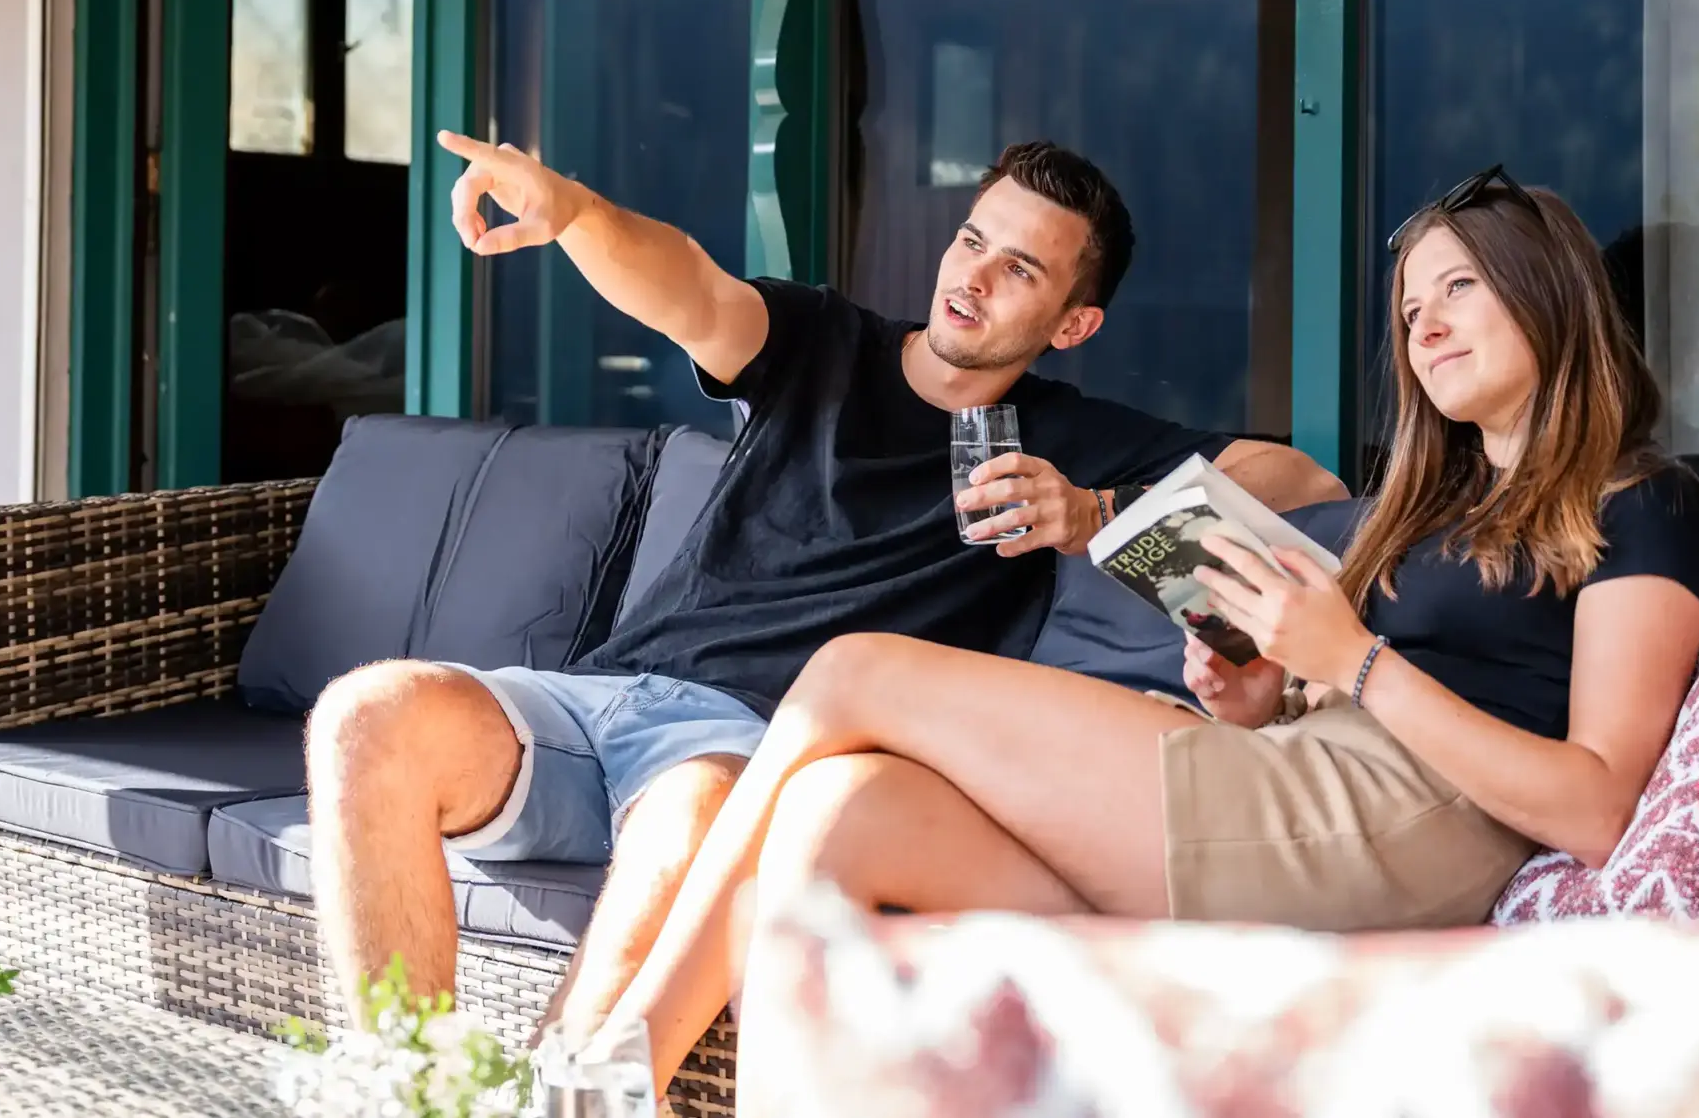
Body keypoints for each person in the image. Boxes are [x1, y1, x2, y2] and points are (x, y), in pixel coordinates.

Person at [586, 164, 1699, 1102]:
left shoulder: (1641, 503)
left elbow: (1595, 807)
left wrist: (1354, 661)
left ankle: (616, 1062)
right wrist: (1260, 690)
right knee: (845, 809)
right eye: (1411, 306)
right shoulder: (1434, 506)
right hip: (1300, 776)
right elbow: (1333, 684)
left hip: (1395, 830)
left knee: (852, 672)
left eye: (1457, 288)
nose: (1424, 323)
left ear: (1547, 294)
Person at [304, 133, 1345, 1044]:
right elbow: (689, 288)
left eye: (1020, 268)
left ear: (1071, 324)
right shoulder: (823, 344)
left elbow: (1306, 482)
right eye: (972, 240)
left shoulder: (1065, 437)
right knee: (366, 716)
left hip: (758, 750)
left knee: (693, 808)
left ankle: (569, 1086)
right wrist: (576, 214)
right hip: (597, 698)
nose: (974, 277)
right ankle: (414, 1084)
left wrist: (1093, 510)